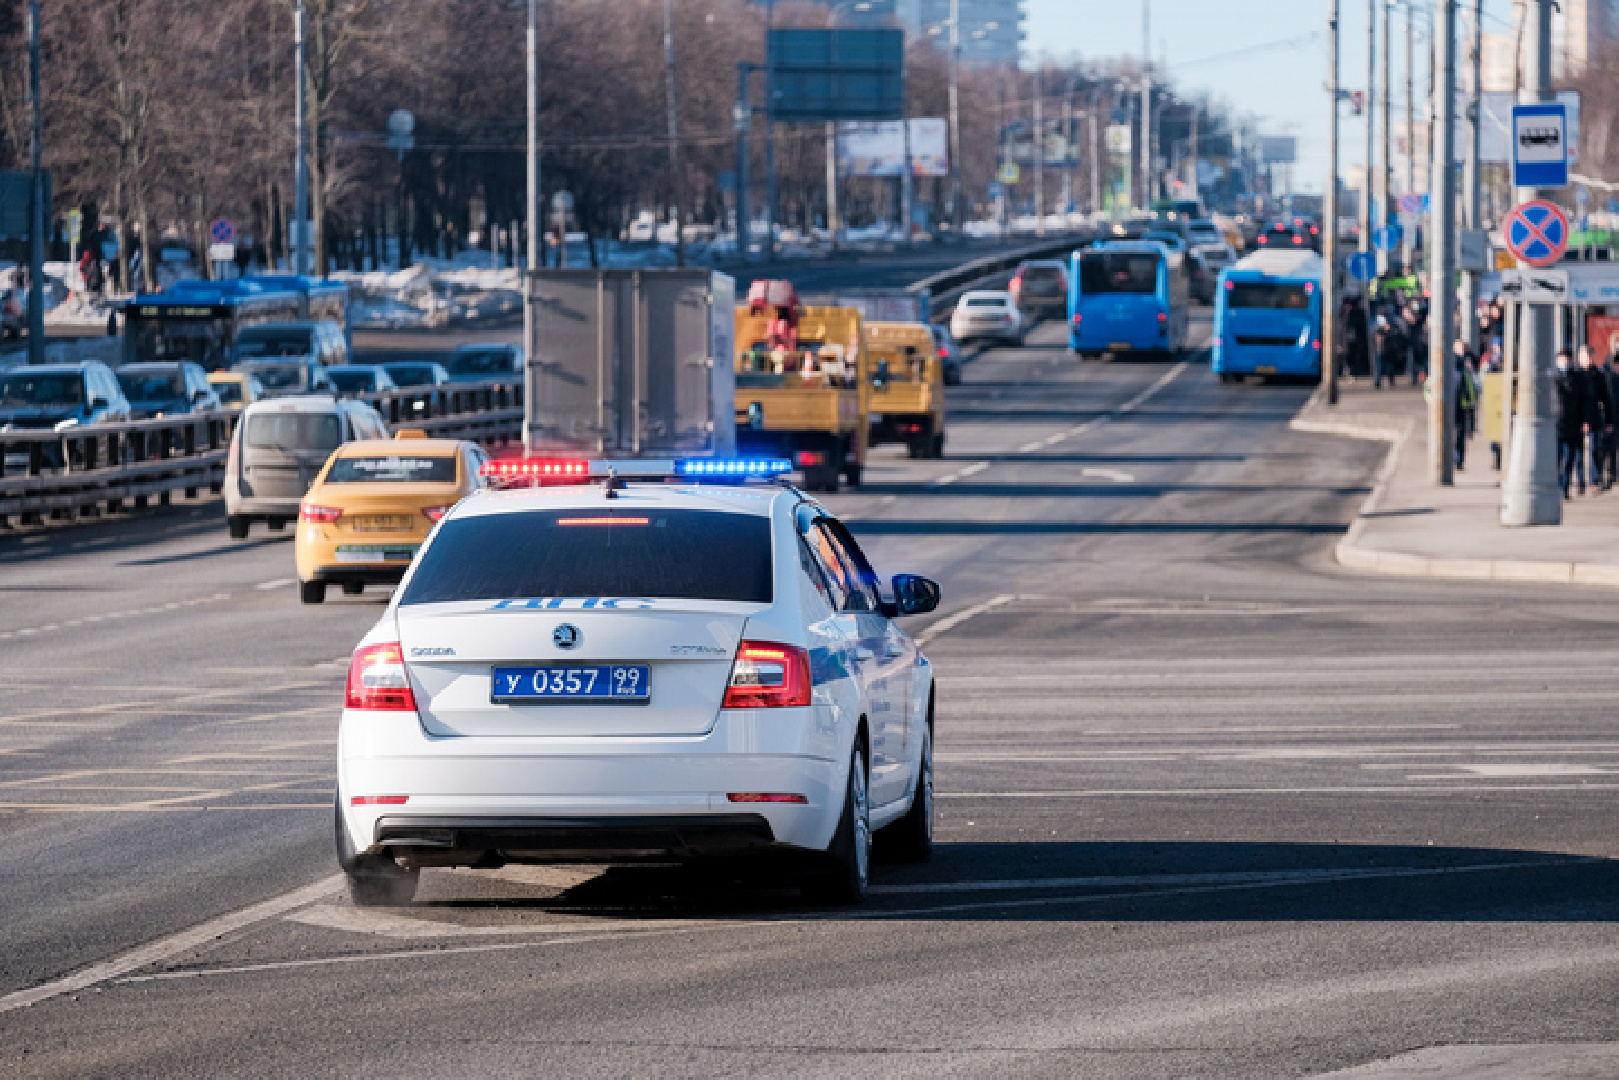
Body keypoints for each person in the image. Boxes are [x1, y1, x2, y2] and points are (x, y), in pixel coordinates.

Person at [1575, 344, 1614, 494]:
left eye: (1590, 356)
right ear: (1580, 358)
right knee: (1578, 453)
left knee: (1595, 450)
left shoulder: (1599, 375)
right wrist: (1581, 420)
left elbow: (1606, 399)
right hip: (1577, 419)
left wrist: (1609, 421)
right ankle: (1580, 483)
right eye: (1585, 356)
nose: (1588, 359)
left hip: (1595, 418)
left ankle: (1594, 481)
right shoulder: (1576, 375)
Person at [1556, 349, 1587, 498]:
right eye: (1562, 358)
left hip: (1573, 425)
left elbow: (1583, 401)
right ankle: (1556, 486)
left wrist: (1584, 421)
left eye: (1567, 358)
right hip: (1556, 425)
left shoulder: (1577, 378)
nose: (1565, 361)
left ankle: (1564, 488)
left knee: (1569, 459)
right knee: (1556, 459)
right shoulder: (1553, 377)